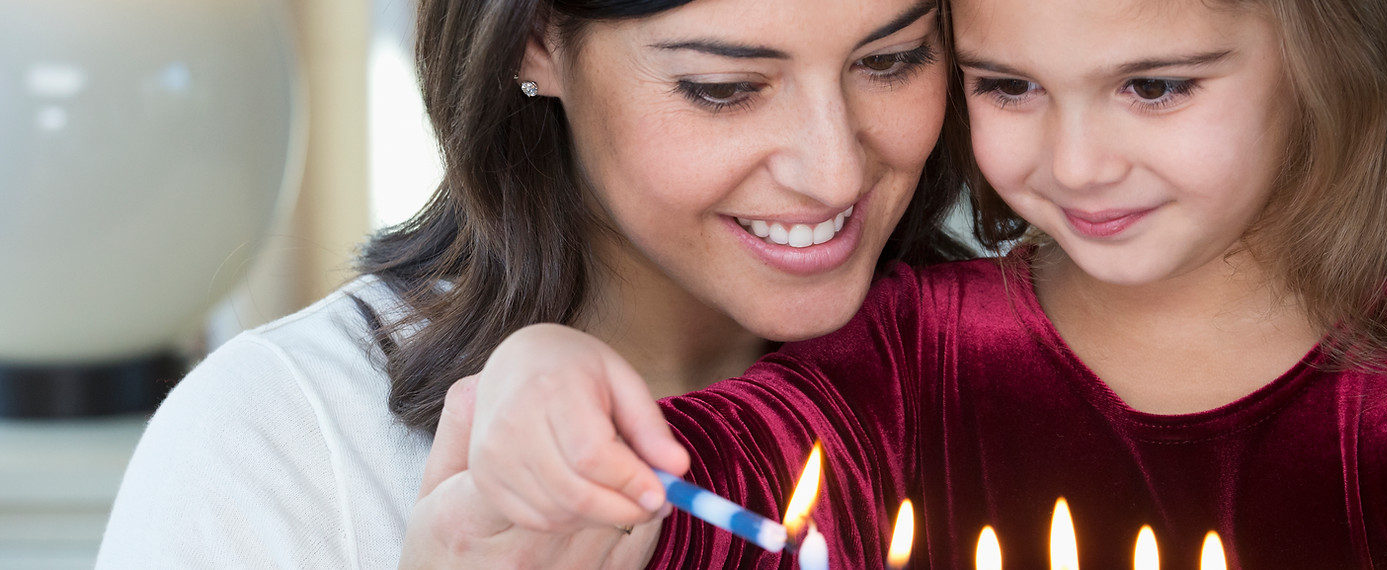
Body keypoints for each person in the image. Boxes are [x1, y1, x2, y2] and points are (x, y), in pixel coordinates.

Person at [454, 0, 1387, 566]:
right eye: (1006, 87)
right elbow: (709, 492)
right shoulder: (907, 361)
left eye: (1154, 87)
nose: (1074, 162)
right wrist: (544, 377)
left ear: (1329, 58)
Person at [94, 0, 971, 567]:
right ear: (536, 41)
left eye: (891, 61)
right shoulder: (278, 449)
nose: (833, 169)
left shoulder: (1011, 370)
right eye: (724, 88)